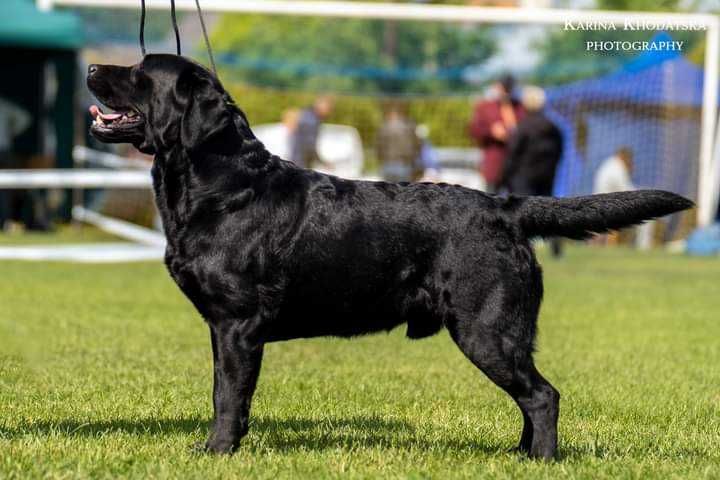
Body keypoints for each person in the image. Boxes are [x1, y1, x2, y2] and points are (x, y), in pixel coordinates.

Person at [501, 86, 564, 257]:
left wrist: (505, 177)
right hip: (546, 176)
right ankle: (556, 248)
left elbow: (512, 155)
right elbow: (560, 151)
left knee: (519, 215)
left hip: (523, 178)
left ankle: (521, 249)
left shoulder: (523, 128)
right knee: (550, 212)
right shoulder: (554, 128)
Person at [469, 74, 525, 193]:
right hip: (494, 164)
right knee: (491, 202)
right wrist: (492, 131)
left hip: (516, 166)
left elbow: (527, 129)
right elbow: (474, 130)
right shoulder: (485, 107)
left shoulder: (519, 107)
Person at [594, 147, 653, 249]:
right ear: (624, 157)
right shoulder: (617, 168)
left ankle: (636, 245)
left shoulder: (609, 163)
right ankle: (644, 247)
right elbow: (627, 191)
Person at [0, 97, 31, 230]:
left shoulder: (3, 103)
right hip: (5, 150)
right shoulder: (4, 103)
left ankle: (5, 220)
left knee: (7, 188)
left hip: (4, 152)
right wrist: (12, 132)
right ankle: (5, 220)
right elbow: (24, 118)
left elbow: (25, 118)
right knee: (6, 189)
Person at [375, 104, 421, 183]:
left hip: (387, 164)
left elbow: (378, 146)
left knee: (386, 193)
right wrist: (413, 159)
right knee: (403, 193)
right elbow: (418, 145)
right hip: (404, 164)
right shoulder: (409, 126)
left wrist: (380, 159)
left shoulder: (384, 127)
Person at [288, 95, 334, 169]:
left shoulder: (307, 114)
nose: (329, 111)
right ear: (320, 106)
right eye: (329, 108)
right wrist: (323, 162)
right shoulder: (311, 121)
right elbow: (310, 146)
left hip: (297, 162)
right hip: (301, 164)